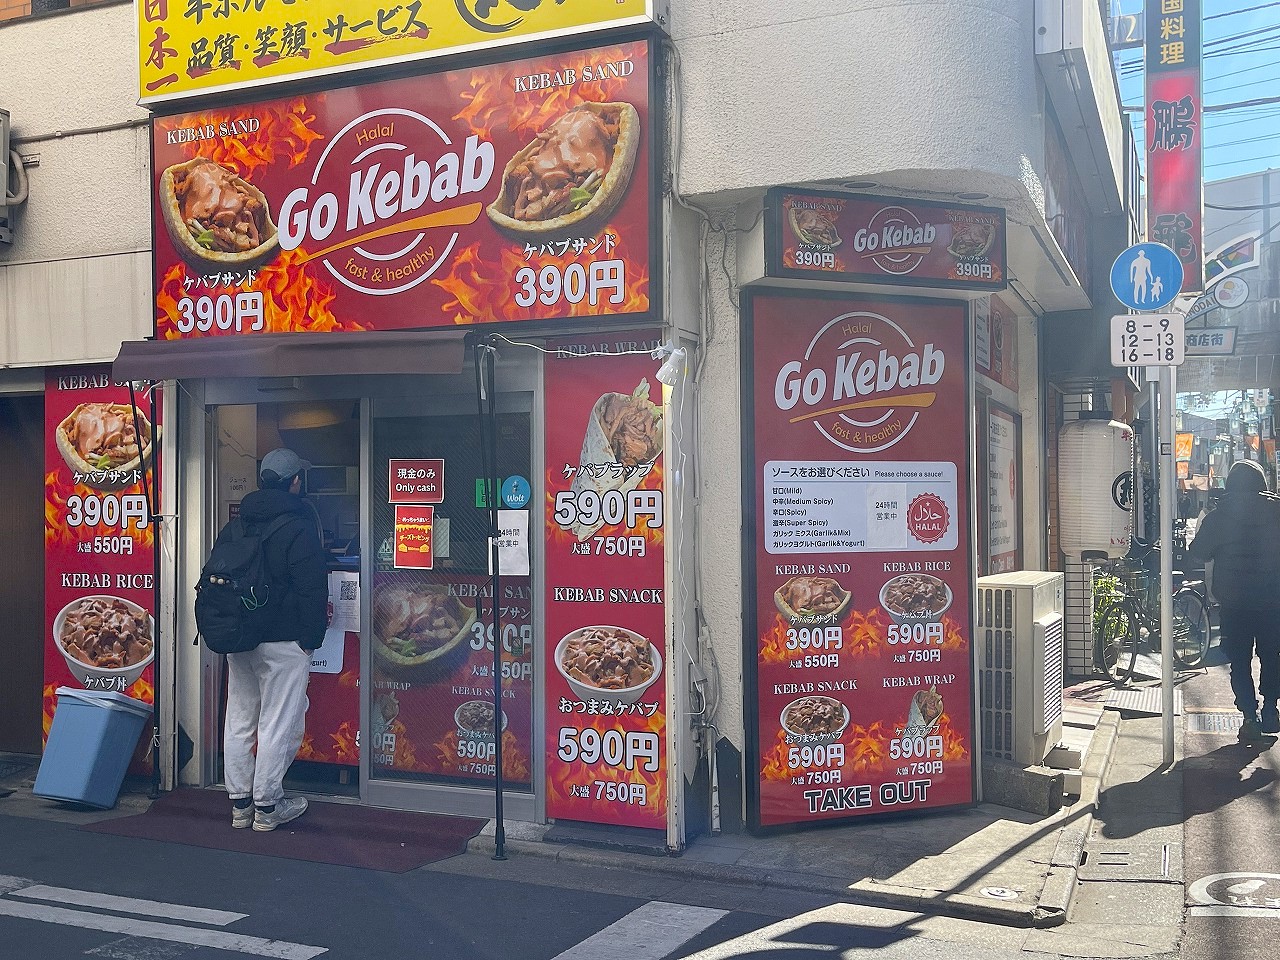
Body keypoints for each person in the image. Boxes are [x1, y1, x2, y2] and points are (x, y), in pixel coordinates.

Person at [222, 448, 329, 831]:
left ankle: (240, 804)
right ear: (295, 481)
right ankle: (268, 807)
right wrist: (310, 639)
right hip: (284, 642)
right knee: (278, 723)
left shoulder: (236, 525)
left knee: (239, 719)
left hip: (239, 638)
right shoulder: (299, 526)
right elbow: (312, 588)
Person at [1188, 460, 1280, 743]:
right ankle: (1271, 708)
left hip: (1234, 602)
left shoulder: (1220, 516)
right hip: (1273, 601)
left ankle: (1249, 716)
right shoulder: (1277, 512)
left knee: (1239, 661)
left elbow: (1198, 552)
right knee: (1272, 655)